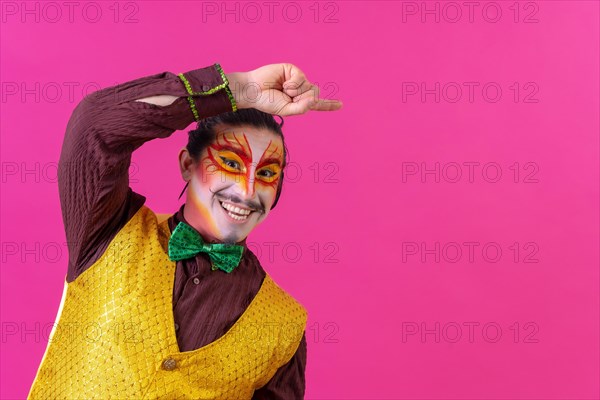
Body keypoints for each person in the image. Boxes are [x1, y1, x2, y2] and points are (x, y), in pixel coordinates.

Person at [27, 63, 343, 399]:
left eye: (266, 174)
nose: (247, 192)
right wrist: (238, 90)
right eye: (232, 164)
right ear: (186, 164)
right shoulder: (109, 229)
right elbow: (95, 125)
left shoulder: (284, 326)